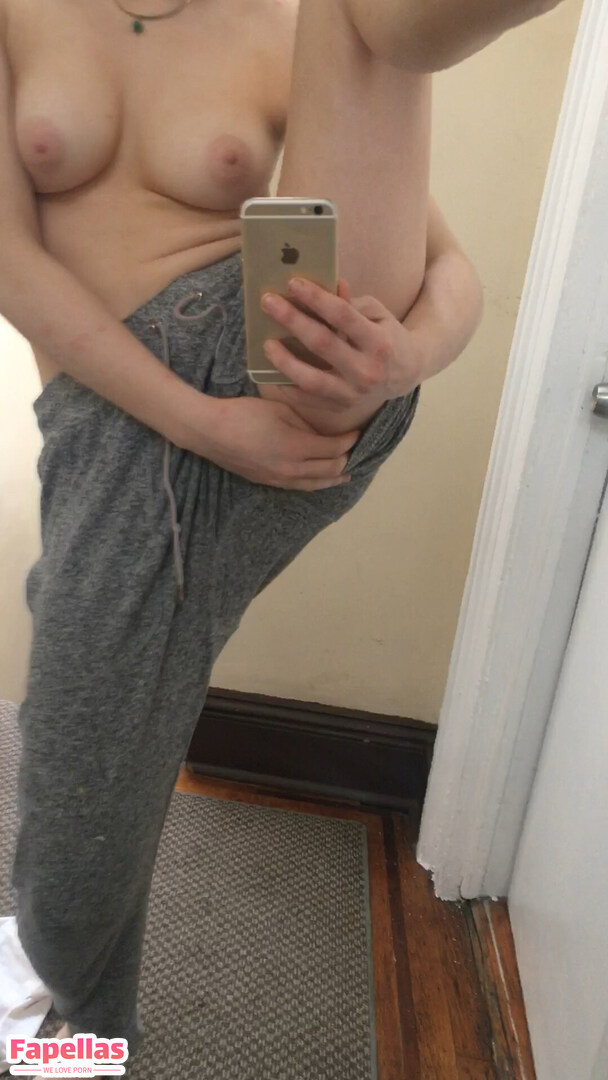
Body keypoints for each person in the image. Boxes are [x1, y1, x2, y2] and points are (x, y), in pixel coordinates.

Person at [0, 0, 566, 1062]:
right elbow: (9, 258)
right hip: (122, 421)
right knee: (92, 777)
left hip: (289, 375)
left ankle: (71, 1038)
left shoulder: (281, 22)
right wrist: (201, 425)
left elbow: (451, 273)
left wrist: (407, 358)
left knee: (80, 809)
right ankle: (64, 997)